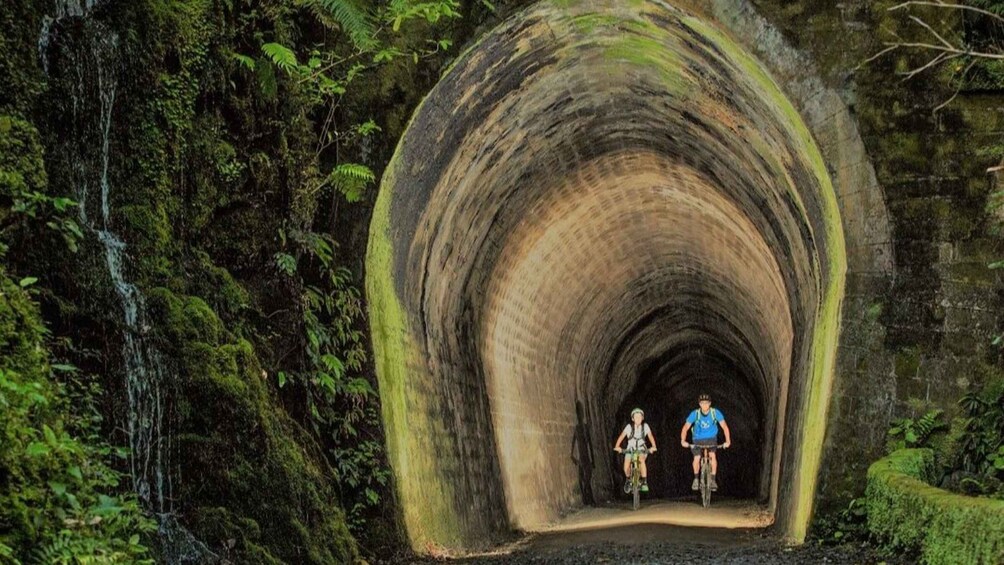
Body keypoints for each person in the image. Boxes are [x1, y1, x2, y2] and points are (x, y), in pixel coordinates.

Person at [680, 393, 731, 491]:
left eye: (706, 403)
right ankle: (695, 479)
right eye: (702, 403)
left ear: (710, 404)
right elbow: (685, 427)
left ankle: (712, 480)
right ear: (699, 404)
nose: (704, 405)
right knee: (697, 457)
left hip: (711, 438)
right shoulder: (695, 414)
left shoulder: (715, 413)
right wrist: (683, 440)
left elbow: (724, 426)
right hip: (697, 438)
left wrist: (728, 441)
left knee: (712, 456)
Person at [613, 408, 657, 493]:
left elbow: (650, 436)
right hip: (630, 448)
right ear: (632, 419)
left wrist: (653, 446)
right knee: (626, 467)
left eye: (640, 417)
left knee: (641, 459)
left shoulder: (645, 426)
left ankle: (644, 481)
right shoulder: (629, 427)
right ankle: (628, 479)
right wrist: (617, 446)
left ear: (642, 418)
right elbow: (622, 436)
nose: (638, 419)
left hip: (641, 448)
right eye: (636, 417)